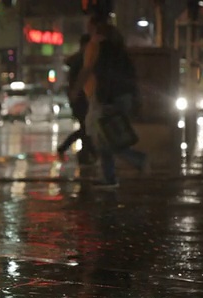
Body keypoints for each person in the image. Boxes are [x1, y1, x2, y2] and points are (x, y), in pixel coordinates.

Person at [70, 15, 149, 188]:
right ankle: (109, 177)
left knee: (106, 138)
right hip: (122, 97)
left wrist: (78, 90)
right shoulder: (119, 50)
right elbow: (130, 76)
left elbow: (92, 71)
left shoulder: (99, 48)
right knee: (107, 138)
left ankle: (136, 159)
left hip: (108, 98)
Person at [57, 34, 96, 164]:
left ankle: (87, 153)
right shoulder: (82, 60)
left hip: (78, 97)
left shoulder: (77, 59)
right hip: (81, 97)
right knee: (86, 128)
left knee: (86, 127)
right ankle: (87, 153)